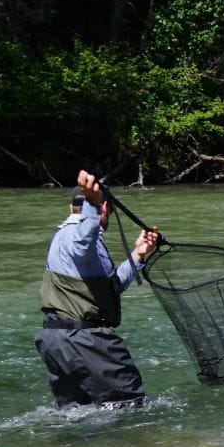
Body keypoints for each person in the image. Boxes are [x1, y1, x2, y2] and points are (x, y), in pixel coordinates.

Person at [35, 170, 159, 407]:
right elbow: (83, 242)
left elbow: (103, 291)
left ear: (71, 207)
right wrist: (94, 202)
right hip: (85, 339)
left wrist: (138, 255)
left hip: (56, 341)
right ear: (104, 210)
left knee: (76, 415)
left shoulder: (62, 237)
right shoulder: (77, 236)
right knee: (130, 408)